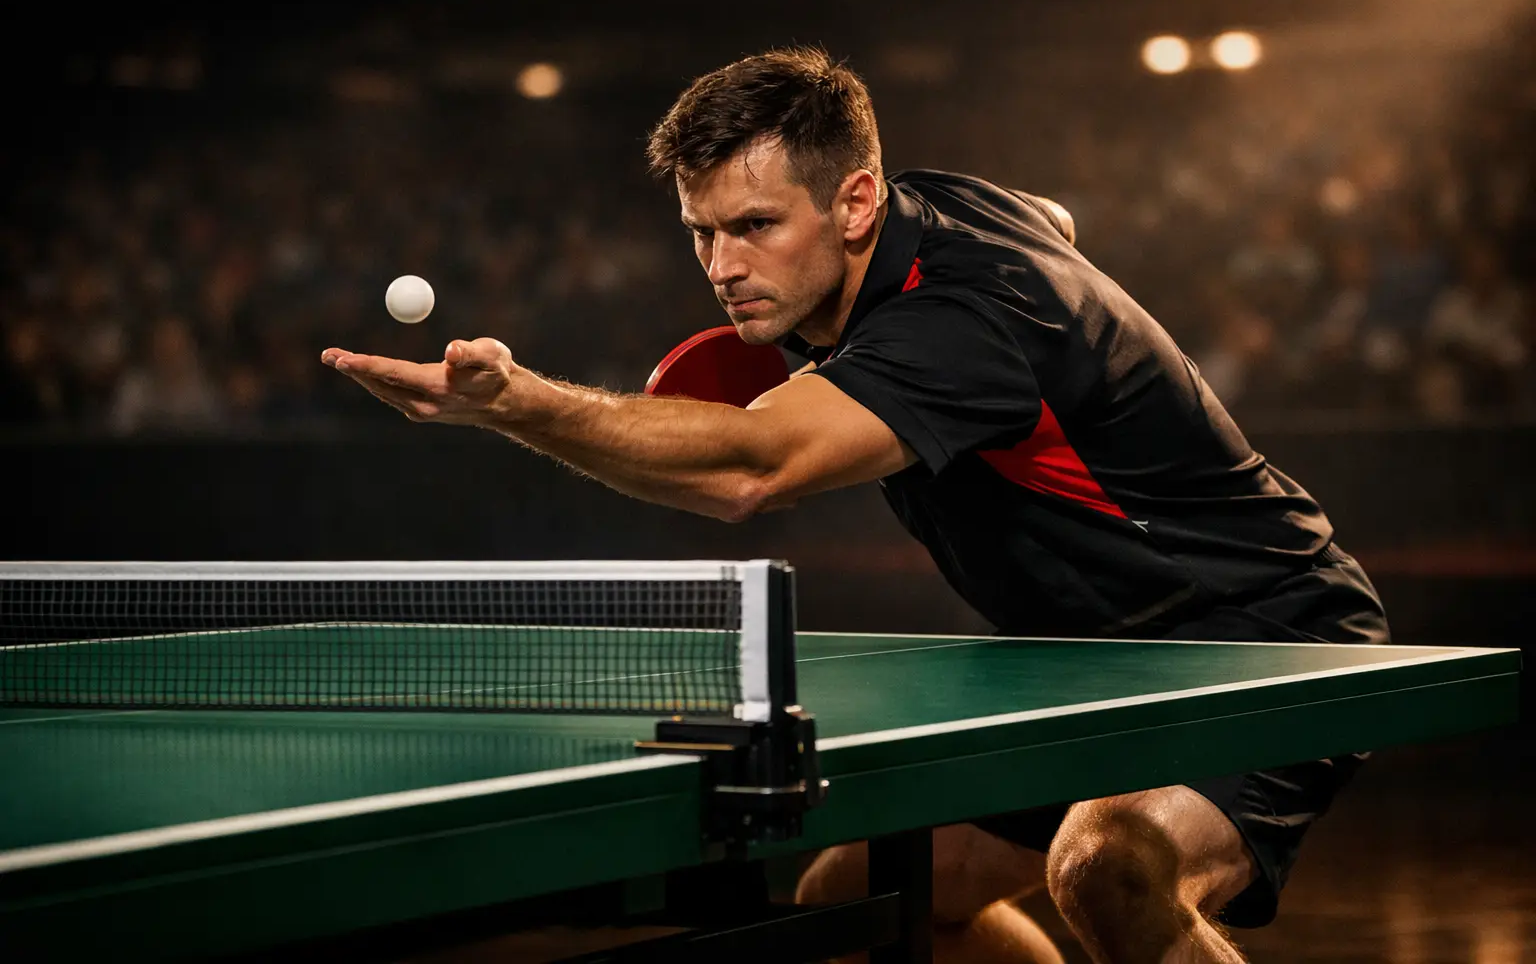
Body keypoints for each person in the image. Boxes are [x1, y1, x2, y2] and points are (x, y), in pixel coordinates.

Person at [322, 47, 1389, 964]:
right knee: (853, 898)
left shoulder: (962, 322)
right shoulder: (946, 210)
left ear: (857, 201)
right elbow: (1048, 215)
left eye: (752, 225)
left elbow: (748, 473)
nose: (724, 267)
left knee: (1110, 866)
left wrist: (514, 403)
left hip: (1262, 633)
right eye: (701, 232)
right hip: (1091, 658)